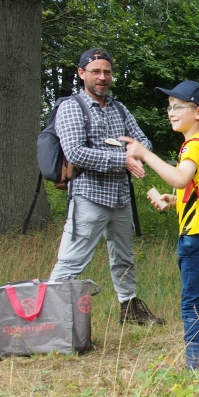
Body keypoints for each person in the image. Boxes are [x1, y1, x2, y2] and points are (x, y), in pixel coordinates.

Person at [119, 81, 199, 373]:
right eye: (169, 107)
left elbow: (181, 178)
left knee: (190, 304)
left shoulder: (194, 146)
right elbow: (194, 186)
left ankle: (198, 369)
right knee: (197, 302)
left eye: (177, 106)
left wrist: (144, 154)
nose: (171, 112)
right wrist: (174, 201)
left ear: (198, 112)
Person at [48, 48, 163, 325]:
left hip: (120, 198)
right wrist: (121, 159)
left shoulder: (119, 108)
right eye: (96, 71)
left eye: (107, 72)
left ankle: (130, 310)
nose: (102, 77)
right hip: (88, 196)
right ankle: (48, 318)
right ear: (81, 73)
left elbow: (144, 143)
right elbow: (75, 152)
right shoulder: (71, 107)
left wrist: (131, 154)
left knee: (124, 258)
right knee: (71, 260)